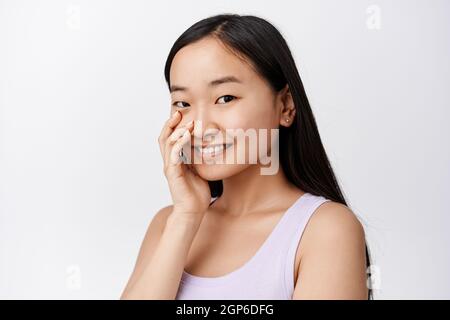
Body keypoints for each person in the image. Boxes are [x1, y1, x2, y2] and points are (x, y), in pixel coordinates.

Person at [121, 14, 371, 300]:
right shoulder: (168, 223)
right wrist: (186, 216)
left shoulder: (326, 230)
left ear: (286, 105)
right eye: (183, 103)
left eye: (225, 98)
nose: (200, 127)